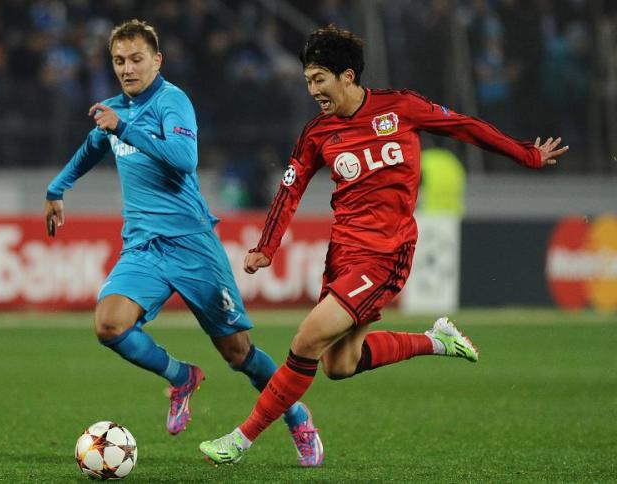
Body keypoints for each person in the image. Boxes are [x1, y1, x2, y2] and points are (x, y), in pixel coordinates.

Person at [199, 25, 568, 465]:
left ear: (348, 76)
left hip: (387, 254)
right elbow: (289, 188)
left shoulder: (401, 108)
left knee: (306, 338)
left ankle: (240, 440)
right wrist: (267, 246)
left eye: (319, 79)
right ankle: (436, 341)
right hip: (343, 255)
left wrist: (526, 154)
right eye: (308, 81)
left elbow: (464, 126)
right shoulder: (317, 132)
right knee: (339, 364)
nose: (313, 89)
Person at [43, 19, 323, 467]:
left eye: (136, 59)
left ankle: (296, 415)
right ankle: (181, 376)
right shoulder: (115, 110)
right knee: (109, 326)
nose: (128, 69)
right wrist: (57, 189)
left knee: (239, 354)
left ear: (157, 60)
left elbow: (184, 159)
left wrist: (125, 129)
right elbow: (91, 146)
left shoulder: (173, 102)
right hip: (143, 248)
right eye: (119, 61)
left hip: (192, 245)